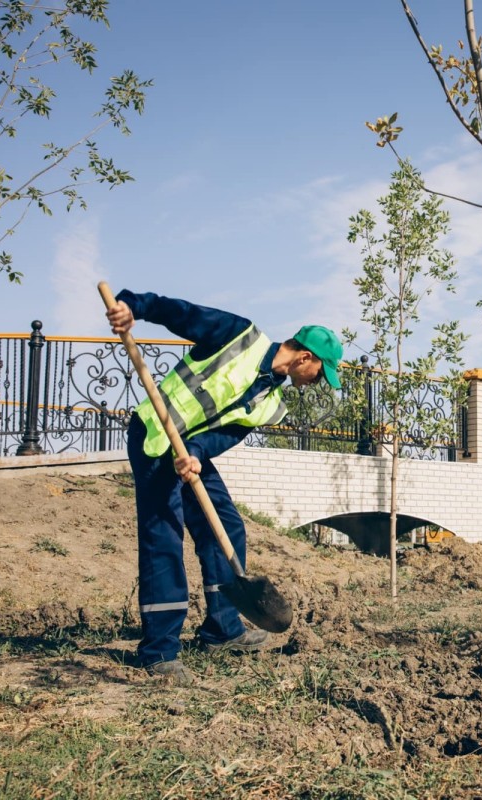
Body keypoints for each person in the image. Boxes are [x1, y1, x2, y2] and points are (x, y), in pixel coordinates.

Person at [106, 290, 343, 685]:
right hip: (153, 436)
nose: (316, 382)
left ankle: (222, 629)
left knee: (227, 527)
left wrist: (196, 453)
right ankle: (159, 651)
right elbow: (182, 314)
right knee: (163, 536)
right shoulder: (239, 336)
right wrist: (134, 307)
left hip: (188, 454)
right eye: (320, 373)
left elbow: (229, 433)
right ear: (305, 358)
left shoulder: (272, 401)